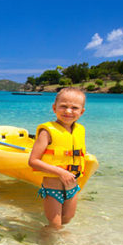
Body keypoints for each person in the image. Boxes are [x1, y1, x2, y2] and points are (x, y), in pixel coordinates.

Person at [28, 87, 88, 229]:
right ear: (54, 108)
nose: (68, 111)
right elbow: (33, 161)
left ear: (81, 112)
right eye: (63, 106)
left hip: (72, 184)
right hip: (53, 186)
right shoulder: (47, 132)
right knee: (55, 224)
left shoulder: (80, 130)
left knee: (67, 219)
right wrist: (61, 172)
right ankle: (45, 243)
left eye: (74, 108)